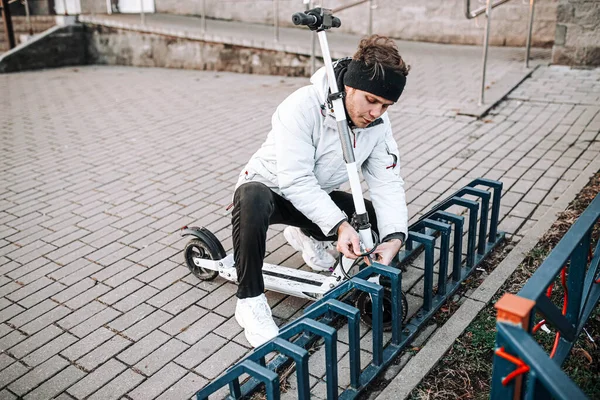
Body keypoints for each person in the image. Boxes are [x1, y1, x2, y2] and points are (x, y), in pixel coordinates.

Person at [232, 35, 410, 347]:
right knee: (251, 198)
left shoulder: (379, 123)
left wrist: (395, 237)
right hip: (271, 188)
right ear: (350, 86)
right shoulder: (302, 105)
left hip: (314, 195)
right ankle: (249, 301)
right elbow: (295, 180)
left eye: (386, 105)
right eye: (371, 101)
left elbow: (387, 182)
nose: (377, 113)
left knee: (370, 217)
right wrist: (339, 226)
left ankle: (305, 234)